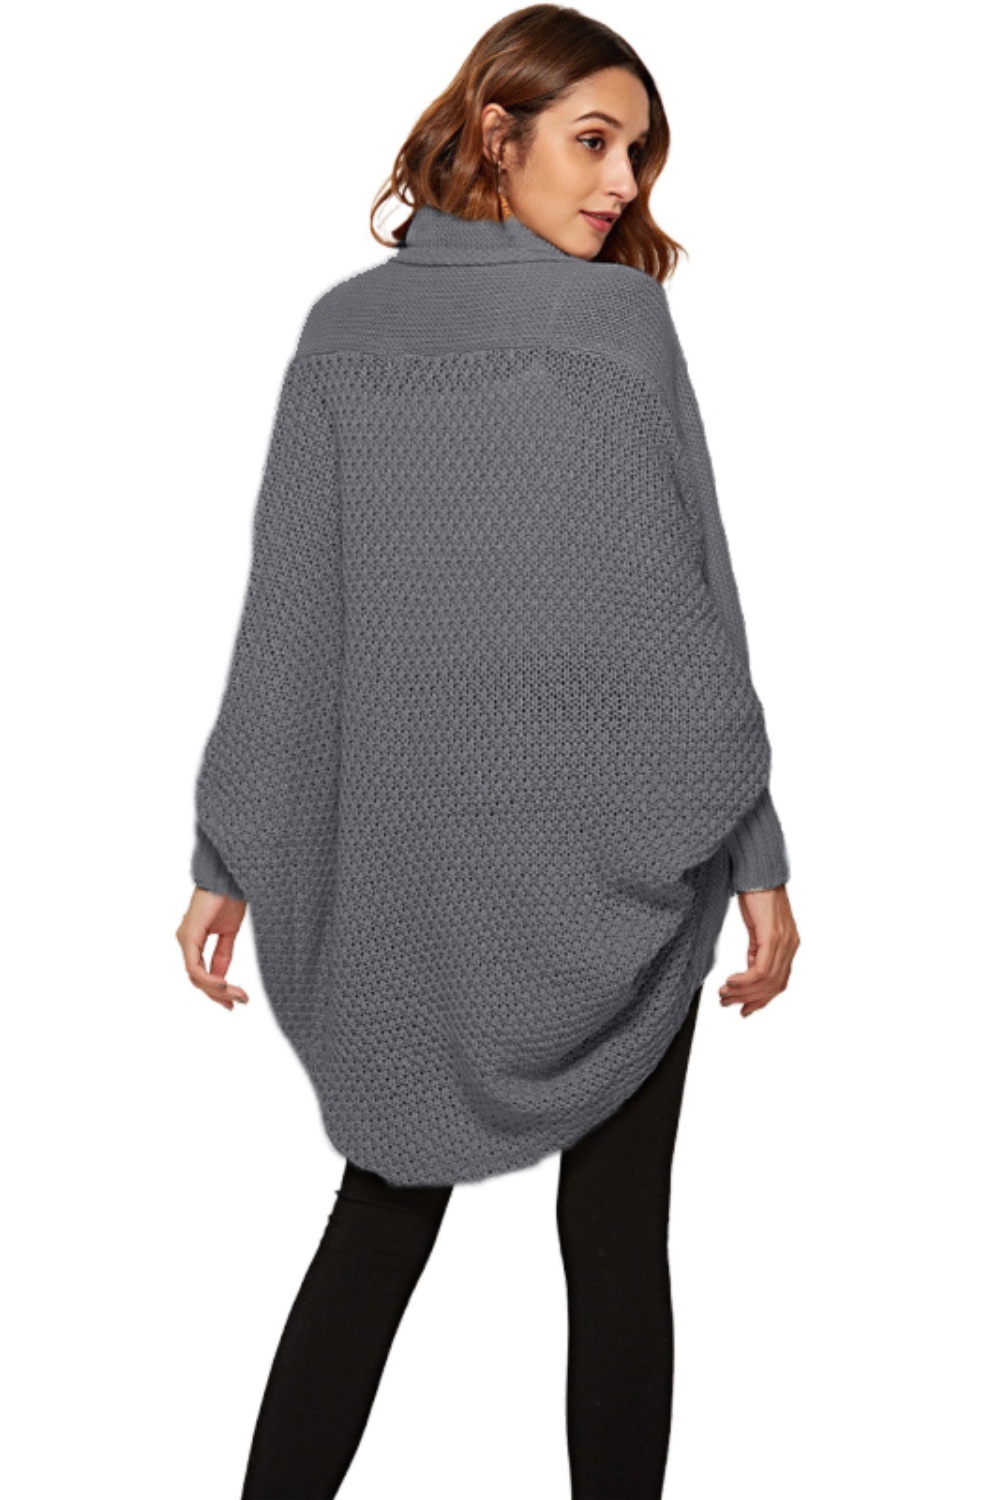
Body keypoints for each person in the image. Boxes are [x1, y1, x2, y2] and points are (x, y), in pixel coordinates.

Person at [175, 7, 800, 1496]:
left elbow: (288, 615)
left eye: (638, 153)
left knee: (382, 1218)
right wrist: (757, 854)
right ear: (497, 133)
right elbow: (699, 605)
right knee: (617, 1241)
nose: (623, 183)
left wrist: (227, 849)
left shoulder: (344, 334)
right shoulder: (616, 325)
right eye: (595, 142)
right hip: (615, 855)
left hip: (415, 872)